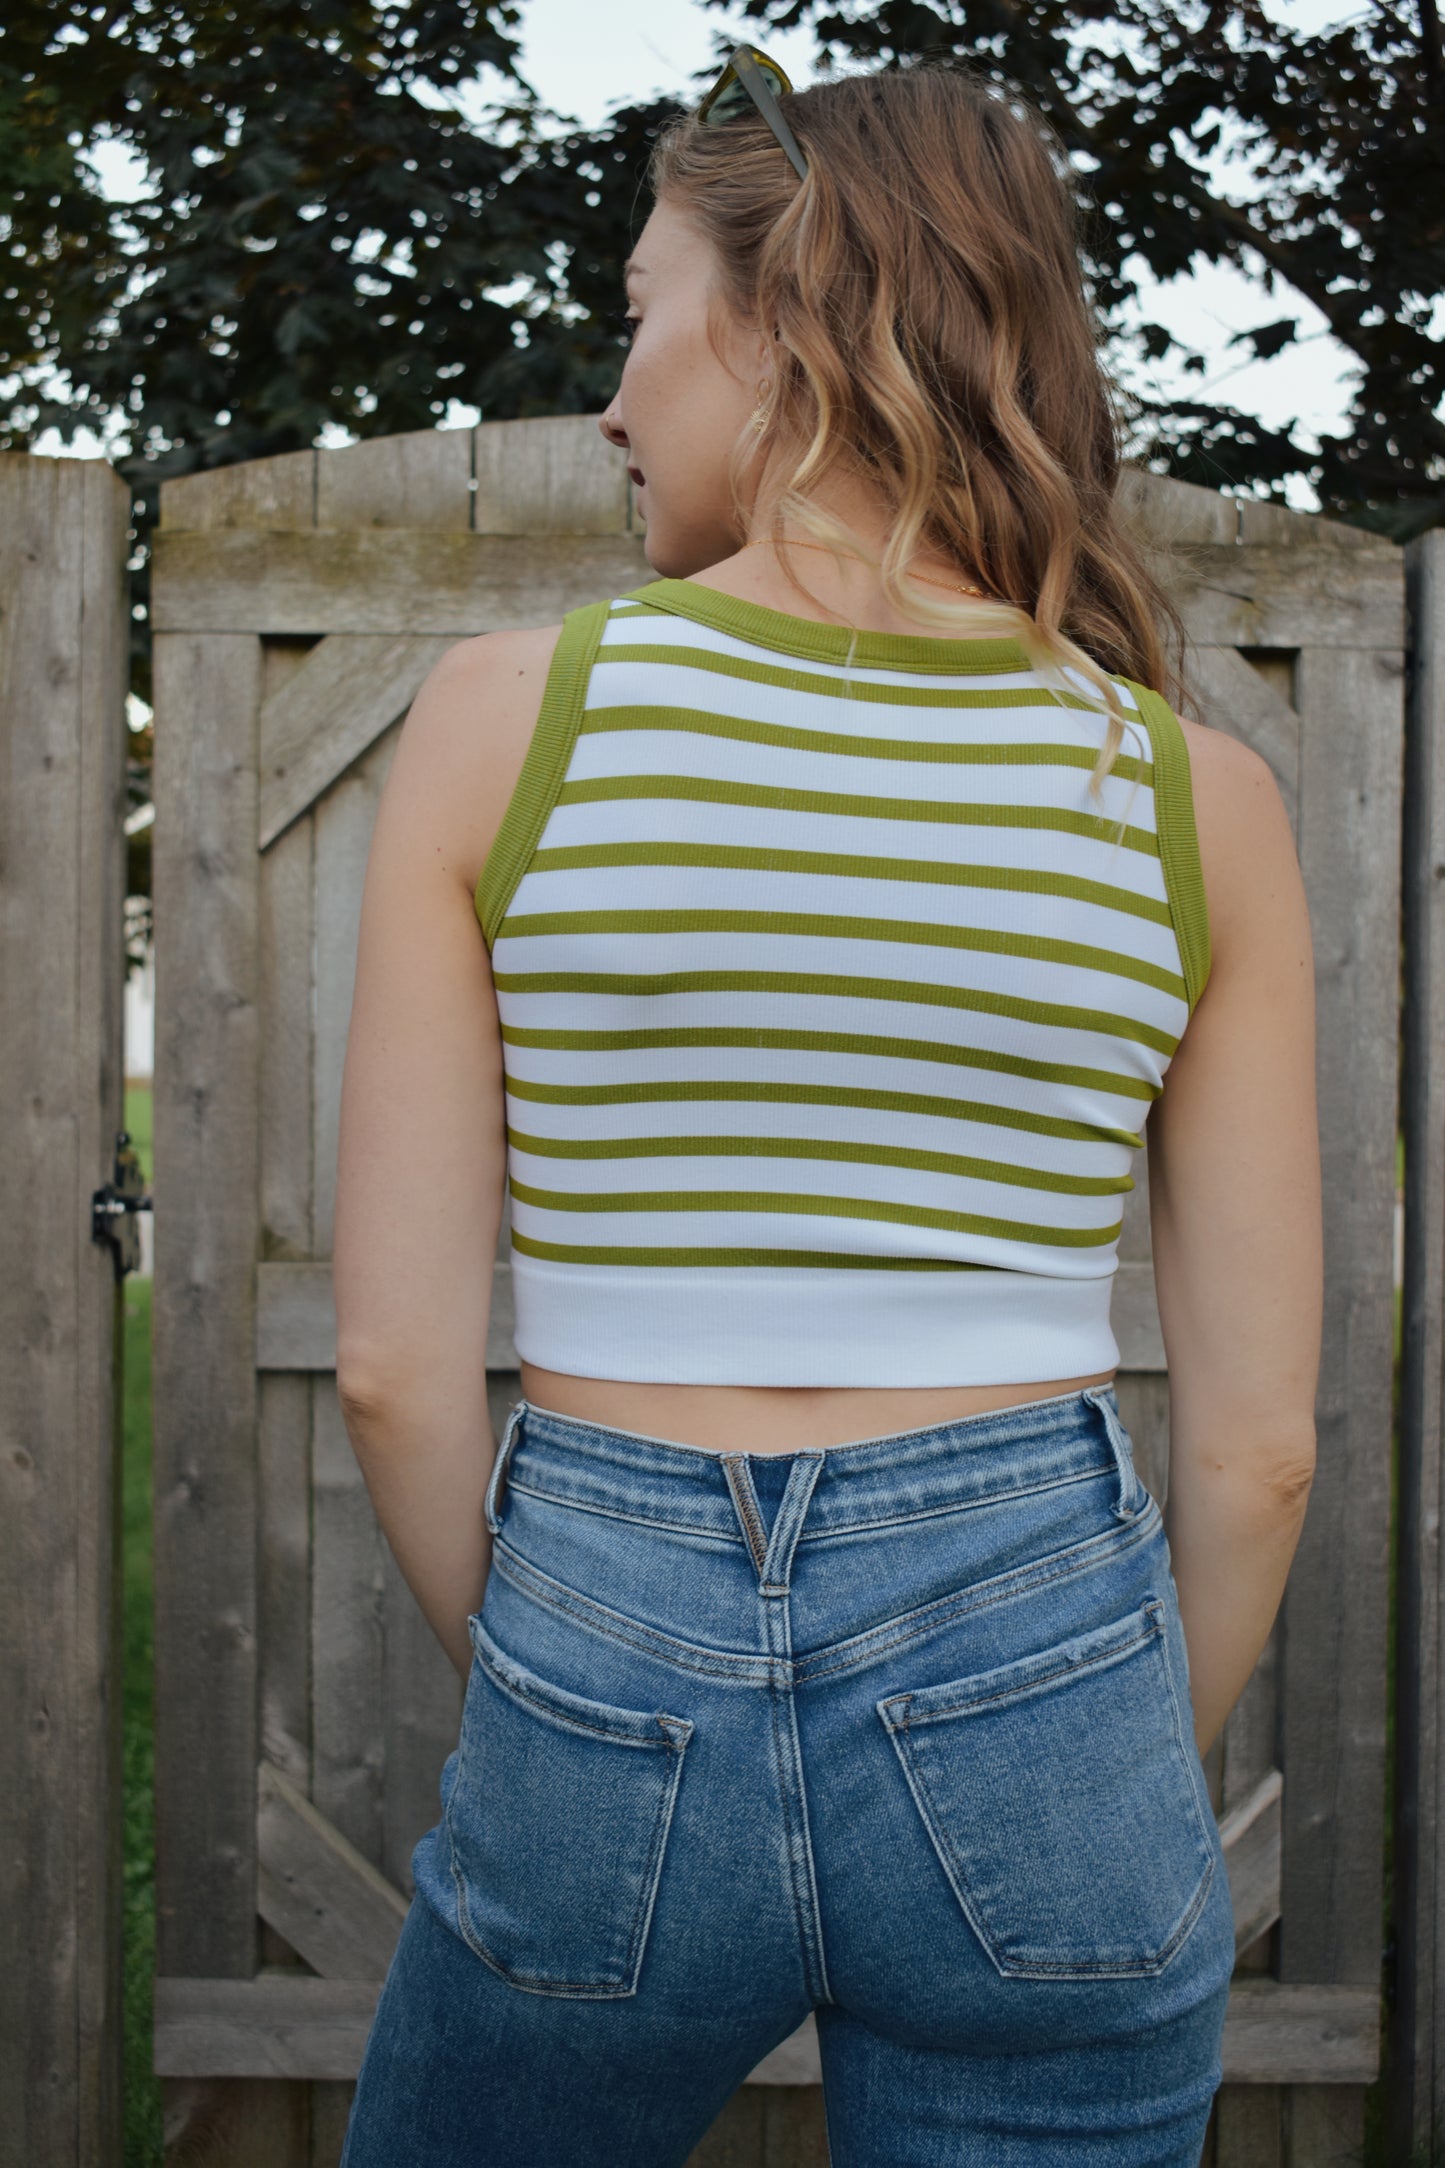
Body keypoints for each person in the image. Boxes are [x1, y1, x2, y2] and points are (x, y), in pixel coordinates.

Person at [332, 48, 1321, 2168]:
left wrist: (574, 1693)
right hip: (1046, 1653)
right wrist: (1095, 1765)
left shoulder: (511, 719)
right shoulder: (1189, 797)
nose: (611, 393)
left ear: (778, 324)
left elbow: (402, 1374)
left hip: (602, 1621)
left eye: (636, 307)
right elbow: (1255, 1452)